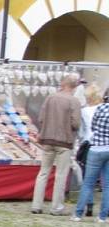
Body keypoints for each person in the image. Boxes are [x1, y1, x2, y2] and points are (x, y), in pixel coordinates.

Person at [30, 73, 81, 216]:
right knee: (61, 174)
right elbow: (76, 123)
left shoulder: (50, 98)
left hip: (47, 140)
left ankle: (36, 205)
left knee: (43, 172)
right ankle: (56, 207)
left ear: (62, 85)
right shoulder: (74, 101)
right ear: (74, 87)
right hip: (64, 142)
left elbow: (40, 118)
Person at [72, 90, 109, 223]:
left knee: (88, 183)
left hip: (96, 147)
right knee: (107, 185)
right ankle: (103, 216)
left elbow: (92, 126)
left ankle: (78, 214)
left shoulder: (100, 108)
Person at [75, 83, 103, 218]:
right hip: (105, 145)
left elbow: (81, 132)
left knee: (88, 178)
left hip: (89, 144)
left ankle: (88, 206)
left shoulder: (84, 111)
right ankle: (105, 211)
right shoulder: (105, 109)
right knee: (105, 179)